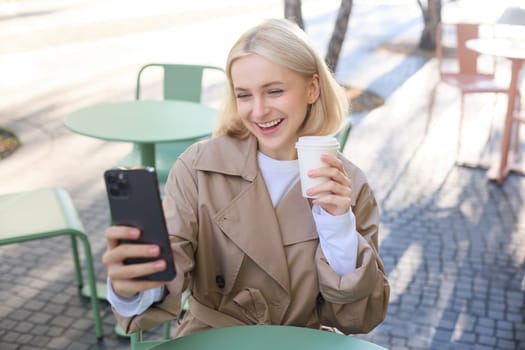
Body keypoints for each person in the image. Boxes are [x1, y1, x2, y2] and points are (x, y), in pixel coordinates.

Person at [103, 18, 389, 337]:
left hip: (300, 342)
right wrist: (132, 285)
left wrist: (338, 226)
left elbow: (361, 316)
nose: (259, 111)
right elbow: (171, 263)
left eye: (275, 91)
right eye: (244, 95)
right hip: (211, 338)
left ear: (312, 88)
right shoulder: (198, 168)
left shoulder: (348, 184)